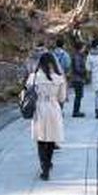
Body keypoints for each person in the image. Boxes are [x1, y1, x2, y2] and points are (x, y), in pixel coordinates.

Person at [24, 52, 66, 181]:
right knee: (51, 138)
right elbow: (62, 98)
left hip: (39, 108)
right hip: (53, 108)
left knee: (41, 139)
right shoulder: (59, 79)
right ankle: (48, 163)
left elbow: (27, 92)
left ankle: (44, 167)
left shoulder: (33, 78)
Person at [71, 41, 86, 118]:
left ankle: (77, 110)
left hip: (78, 78)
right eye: (83, 47)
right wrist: (83, 72)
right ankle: (75, 111)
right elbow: (77, 68)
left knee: (79, 95)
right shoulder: (77, 56)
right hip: (78, 78)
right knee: (78, 95)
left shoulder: (79, 55)